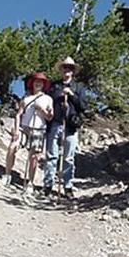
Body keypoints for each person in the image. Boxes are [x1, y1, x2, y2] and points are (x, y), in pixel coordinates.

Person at [43, 56, 87, 199]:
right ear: (61, 70)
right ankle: (48, 185)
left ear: (73, 71)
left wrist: (72, 95)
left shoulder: (78, 87)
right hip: (55, 123)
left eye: (69, 68)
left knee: (69, 157)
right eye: (64, 67)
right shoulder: (54, 86)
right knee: (51, 155)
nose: (67, 70)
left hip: (71, 125)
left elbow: (83, 106)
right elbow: (48, 102)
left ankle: (68, 187)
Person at [2, 72, 53, 188]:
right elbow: (18, 114)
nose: (38, 83)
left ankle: (30, 182)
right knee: (12, 147)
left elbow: (50, 116)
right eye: (36, 81)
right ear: (32, 83)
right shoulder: (26, 98)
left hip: (38, 129)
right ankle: (7, 174)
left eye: (41, 82)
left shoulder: (48, 99)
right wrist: (16, 129)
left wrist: (42, 110)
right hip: (24, 128)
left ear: (44, 84)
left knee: (34, 157)